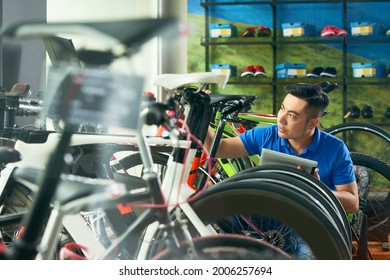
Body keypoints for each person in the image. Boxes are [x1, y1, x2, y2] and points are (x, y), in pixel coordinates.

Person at [205, 83, 359, 259]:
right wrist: (200, 112)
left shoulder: (335, 148)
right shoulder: (267, 135)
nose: (281, 118)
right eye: (282, 109)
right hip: (271, 214)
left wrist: (316, 188)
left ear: (312, 122)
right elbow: (220, 149)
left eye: (292, 115)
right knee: (220, 210)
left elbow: (352, 203)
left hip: (311, 223)